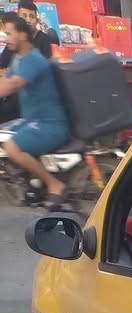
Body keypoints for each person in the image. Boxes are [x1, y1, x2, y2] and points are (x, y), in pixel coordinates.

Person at [0, 17, 68, 206]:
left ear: (22, 35)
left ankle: (53, 184)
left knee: (12, 147)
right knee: (3, 133)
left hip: (49, 124)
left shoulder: (33, 59)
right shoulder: (18, 59)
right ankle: (32, 183)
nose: (6, 39)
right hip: (32, 121)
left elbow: (12, 85)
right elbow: (5, 80)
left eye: (9, 34)